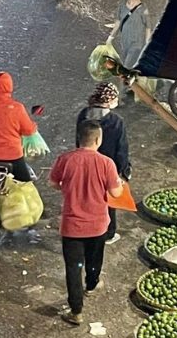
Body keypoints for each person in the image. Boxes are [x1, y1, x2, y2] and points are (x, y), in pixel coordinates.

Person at [50, 120, 124, 325]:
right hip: (98, 225)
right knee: (94, 258)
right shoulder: (106, 163)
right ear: (98, 140)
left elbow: (53, 183)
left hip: (72, 226)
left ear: (79, 138)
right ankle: (91, 285)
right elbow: (116, 192)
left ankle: (76, 311)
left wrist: (70, 187)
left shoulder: (65, 159)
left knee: (73, 268)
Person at [76, 83, 131, 245]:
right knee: (107, 202)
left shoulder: (83, 115)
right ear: (110, 100)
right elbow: (122, 150)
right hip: (108, 168)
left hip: (85, 165)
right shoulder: (116, 121)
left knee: (86, 197)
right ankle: (108, 233)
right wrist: (124, 172)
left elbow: (78, 140)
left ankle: (86, 228)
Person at [107, 0, 151, 70]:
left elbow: (148, 26)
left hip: (137, 43)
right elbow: (118, 23)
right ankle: (129, 81)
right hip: (124, 42)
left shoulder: (143, 9)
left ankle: (125, 82)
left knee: (126, 67)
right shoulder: (122, 6)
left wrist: (147, 42)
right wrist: (110, 37)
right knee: (124, 64)